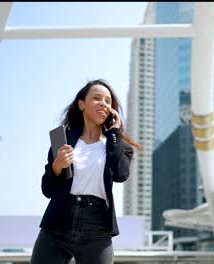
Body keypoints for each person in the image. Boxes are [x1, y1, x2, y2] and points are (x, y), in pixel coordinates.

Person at [31, 79, 141, 264]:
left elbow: (121, 174)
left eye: (108, 101)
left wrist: (114, 133)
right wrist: (57, 166)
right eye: (97, 98)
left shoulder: (118, 146)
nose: (103, 104)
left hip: (97, 227)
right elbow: (47, 190)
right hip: (58, 223)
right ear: (82, 104)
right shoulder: (62, 139)